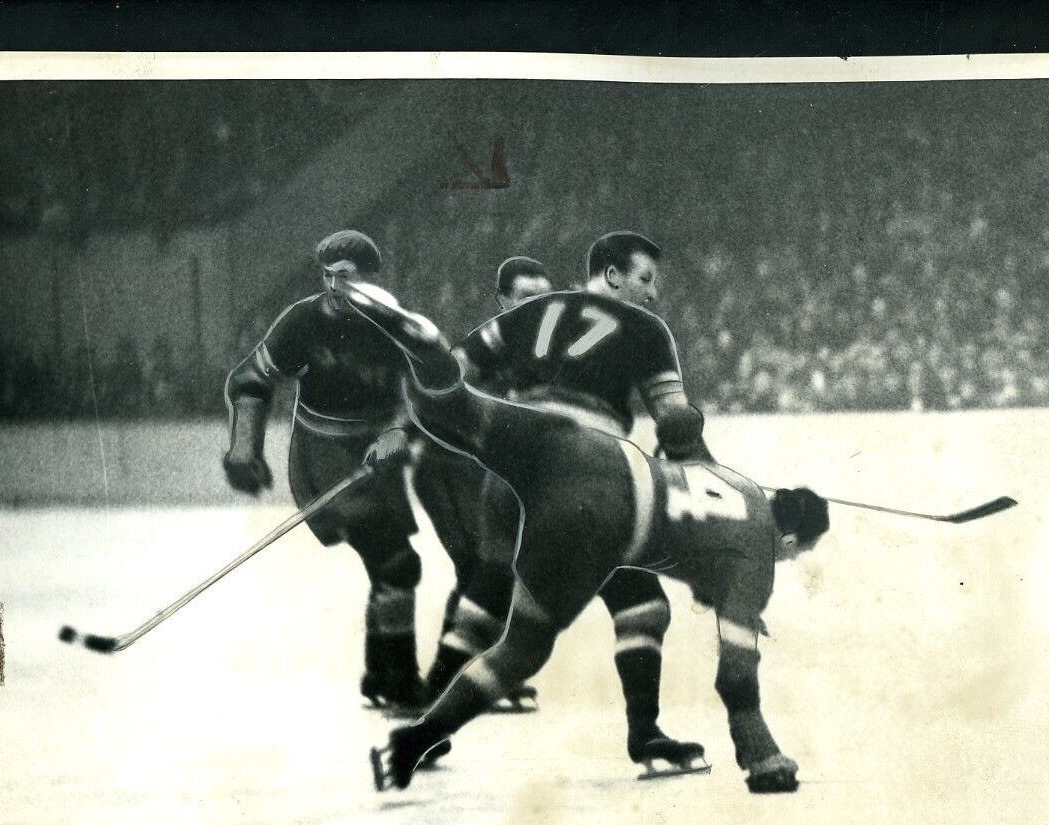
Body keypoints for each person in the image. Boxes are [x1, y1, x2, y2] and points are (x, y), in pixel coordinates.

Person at [342, 278, 829, 794]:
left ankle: (428, 352)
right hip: (596, 517)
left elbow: (685, 440)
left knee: (459, 409)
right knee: (523, 649)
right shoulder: (757, 555)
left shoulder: (743, 487)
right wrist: (762, 754)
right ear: (792, 541)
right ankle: (413, 745)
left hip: (573, 446)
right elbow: (735, 674)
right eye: (792, 556)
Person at [423, 231, 716, 775]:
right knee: (641, 605)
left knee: (486, 594)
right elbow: (674, 417)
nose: (652, 296)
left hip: (510, 467)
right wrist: (700, 463)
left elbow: (452, 372)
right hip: (584, 475)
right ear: (611, 276)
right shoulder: (647, 330)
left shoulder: (531, 311)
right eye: (645, 280)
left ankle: (426, 725)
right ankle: (645, 733)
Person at [222, 229, 425, 712]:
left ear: (374, 279)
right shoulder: (302, 322)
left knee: (390, 566)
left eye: (348, 277)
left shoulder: (395, 325)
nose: (335, 288)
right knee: (398, 563)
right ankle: (399, 682)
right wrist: (244, 449)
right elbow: (250, 379)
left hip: (377, 458)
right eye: (328, 276)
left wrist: (401, 430)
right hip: (323, 459)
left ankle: (380, 675)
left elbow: (420, 390)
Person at [412, 257, 554, 712]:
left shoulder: (546, 352)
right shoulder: (484, 347)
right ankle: (446, 682)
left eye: (544, 297)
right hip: (446, 471)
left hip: (485, 477)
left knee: (494, 571)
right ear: (503, 301)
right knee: (479, 569)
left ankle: (472, 673)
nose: (538, 306)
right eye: (527, 298)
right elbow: (438, 391)